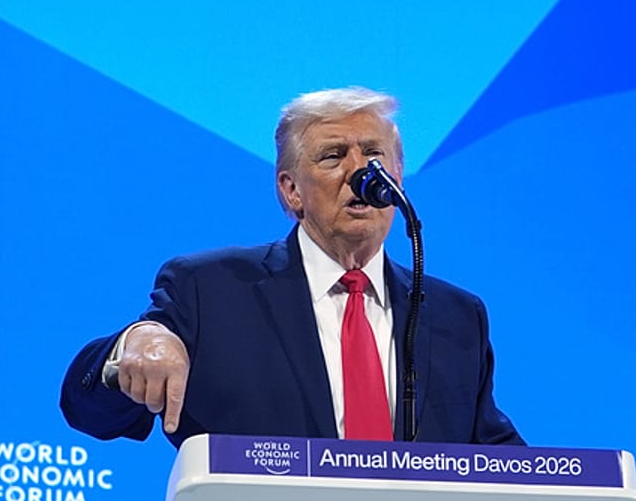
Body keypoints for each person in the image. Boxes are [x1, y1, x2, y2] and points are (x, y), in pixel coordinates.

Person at [60, 87, 523, 447]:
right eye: (334, 156)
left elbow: (498, 462)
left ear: (397, 177)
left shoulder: (455, 315)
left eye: (374, 156)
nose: (361, 174)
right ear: (291, 191)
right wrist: (134, 345)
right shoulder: (211, 290)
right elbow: (90, 411)